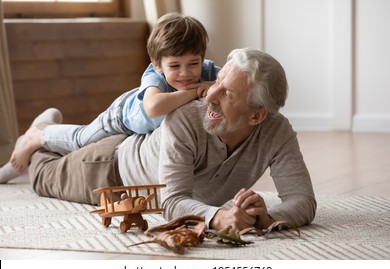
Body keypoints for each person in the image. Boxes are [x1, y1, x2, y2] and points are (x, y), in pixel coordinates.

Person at [25, 48, 317, 231]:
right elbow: (172, 200)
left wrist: (267, 216)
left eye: (226, 94)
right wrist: (219, 217)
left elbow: (302, 200)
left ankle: (48, 132)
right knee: (41, 174)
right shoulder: (186, 118)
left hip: (131, 158)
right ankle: (39, 132)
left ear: (257, 116)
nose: (210, 95)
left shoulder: (277, 132)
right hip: (110, 167)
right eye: (217, 83)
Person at [1, 12, 219, 182]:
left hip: (143, 133)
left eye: (194, 63)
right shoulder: (155, 76)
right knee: (81, 140)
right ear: (157, 64)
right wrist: (195, 91)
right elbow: (153, 108)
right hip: (121, 117)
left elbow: (235, 81)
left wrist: (215, 84)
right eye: (175, 66)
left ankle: (41, 130)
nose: (186, 73)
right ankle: (36, 136)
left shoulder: (207, 71)